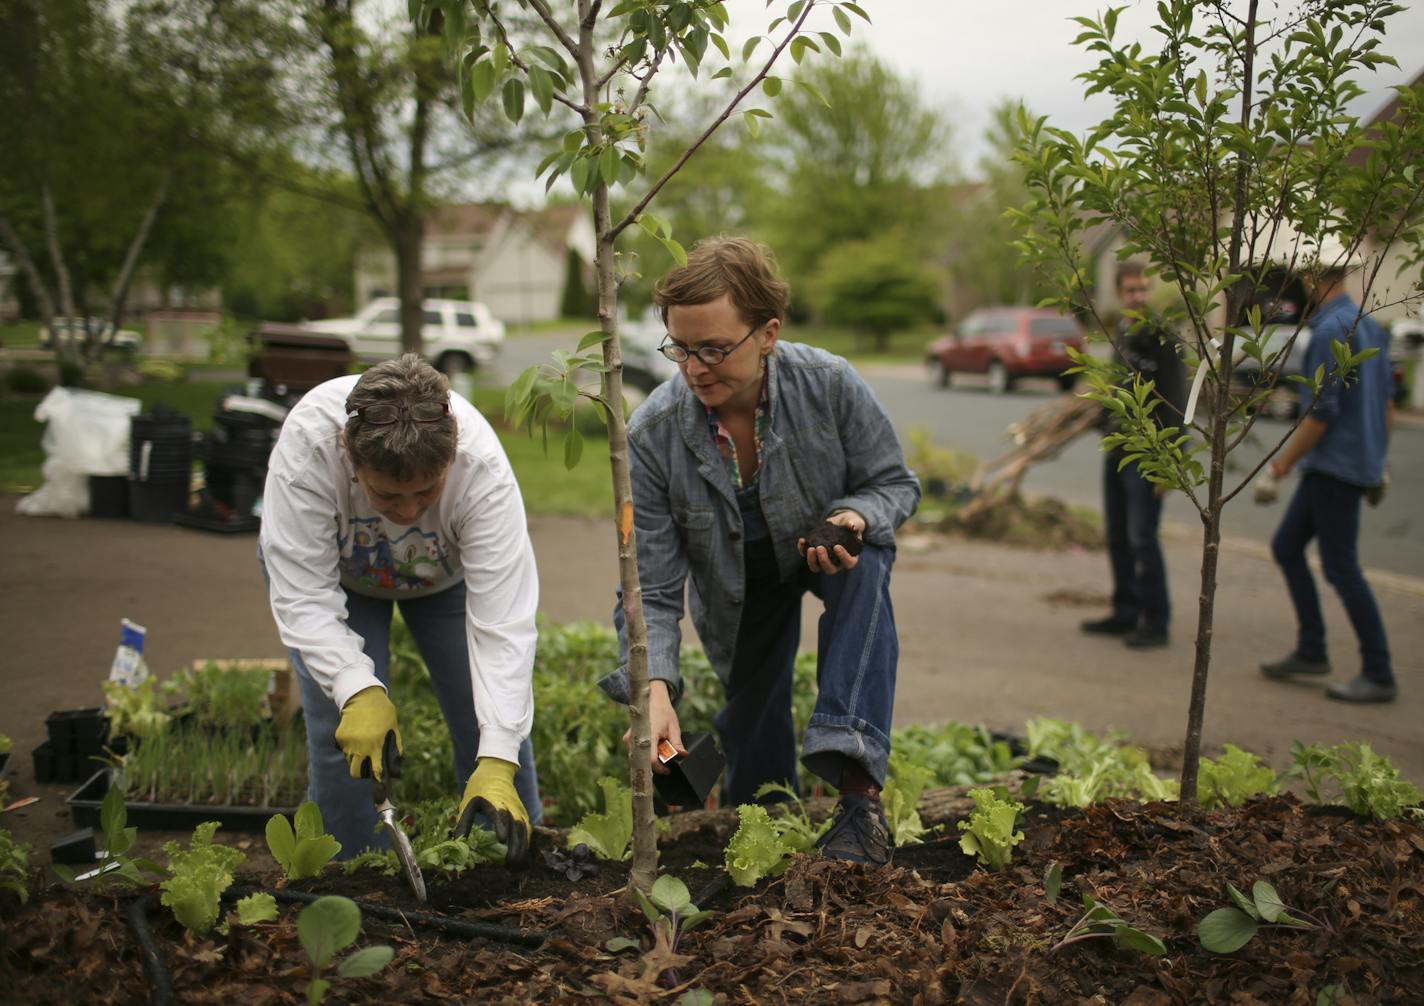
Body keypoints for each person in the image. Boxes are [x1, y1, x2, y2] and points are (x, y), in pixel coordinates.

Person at [598, 237, 921, 866]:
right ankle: (770, 834)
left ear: (767, 333)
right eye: (680, 349)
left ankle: (859, 803)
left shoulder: (829, 385)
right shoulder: (652, 436)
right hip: (737, 586)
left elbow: (896, 485)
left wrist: (856, 514)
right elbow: (652, 589)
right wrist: (654, 690)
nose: (694, 369)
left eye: (715, 349)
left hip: (829, 554)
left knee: (868, 566)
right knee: (755, 747)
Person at [259, 353, 541, 860]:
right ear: (349, 453)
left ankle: (512, 867)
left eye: (427, 490)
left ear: (452, 456)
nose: (409, 511)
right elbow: (303, 593)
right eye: (388, 495)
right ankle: (349, 876)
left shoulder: (483, 471)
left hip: (445, 581)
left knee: (491, 727)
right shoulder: (309, 450)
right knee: (342, 734)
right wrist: (356, 688)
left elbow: (504, 624)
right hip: (342, 581)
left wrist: (497, 758)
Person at [1259, 246, 1397, 703]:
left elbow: (1319, 415)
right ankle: (1312, 648)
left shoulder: (1329, 331)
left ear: (1313, 276)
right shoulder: (1367, 323)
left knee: (1341, 567)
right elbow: (1387, 404)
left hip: (1334, 467)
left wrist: (1279, 468)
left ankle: (1378, 672)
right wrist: (1380, 462)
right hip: (1351, 463)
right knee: (1286, 547)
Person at [1080, 262, 1187, 648]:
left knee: (1143, 537)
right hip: (1119, 448)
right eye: (1131, 291)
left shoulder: (1162, 335)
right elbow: (1117, 388)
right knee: (1117, 534)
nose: (1138, 297)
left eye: (1143, 289)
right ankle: (1125, 611)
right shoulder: (1123, 332)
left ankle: (1156, 620)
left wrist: (1170, 465)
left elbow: (1175, 400)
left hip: (1150, 454)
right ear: (1119, 294)